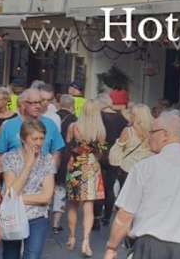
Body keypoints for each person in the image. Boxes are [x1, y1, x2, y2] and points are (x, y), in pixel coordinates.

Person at [103, 110, 180, 259]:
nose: (148, 136)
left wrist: (112, 248)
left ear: (164, 135)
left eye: (152, 132)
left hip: (149, 248)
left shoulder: (144, 168)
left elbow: (124, 216)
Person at [0, 88, 64, 204]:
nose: (38, 106)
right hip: (13, 182)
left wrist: (50, 177)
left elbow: (56, 152)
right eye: (33, 103)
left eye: (40, 102)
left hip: (39, 188)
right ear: (23, 104)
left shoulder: (50, 124)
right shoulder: (9, 125)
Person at [0, 119, 56, 259]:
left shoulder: (47, 159)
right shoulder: (10, 158)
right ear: (23, 138)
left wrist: (16, 198)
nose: (39, 143)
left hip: (37, 216)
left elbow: (46, 197)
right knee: (10, 255)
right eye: (34, 139)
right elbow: (11, 192)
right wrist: (28, 165)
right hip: (12, 215)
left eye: (41, 138)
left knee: (32, 256)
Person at [65, 99, 107, 257]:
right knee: (88, 207)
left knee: (73, 205)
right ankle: (86, 241)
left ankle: (72, 237)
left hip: (75, 166)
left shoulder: (73, 127)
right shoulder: (100, 130)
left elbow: (68, 146)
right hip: (91, 167)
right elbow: (100, 153)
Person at [94, 92, 128, 227]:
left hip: (101, 153)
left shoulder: (99, 117)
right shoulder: (122, 117)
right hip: (115, 155)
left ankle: (96, 218)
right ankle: (107, 217)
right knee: (109, 187)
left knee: (99, 187)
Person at [52, 94, 77, 234]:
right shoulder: (74, 120)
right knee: (61, 188)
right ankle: (56, 223)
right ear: (72, 106)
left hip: (51, 154)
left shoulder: (52, 117)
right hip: (65, 156)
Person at [113, 103, 153, 187]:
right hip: (147, 169)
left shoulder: (128, 131)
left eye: (131, 113)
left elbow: (116, 151)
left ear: (135, 116)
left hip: (128, 168)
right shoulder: (153, 132)